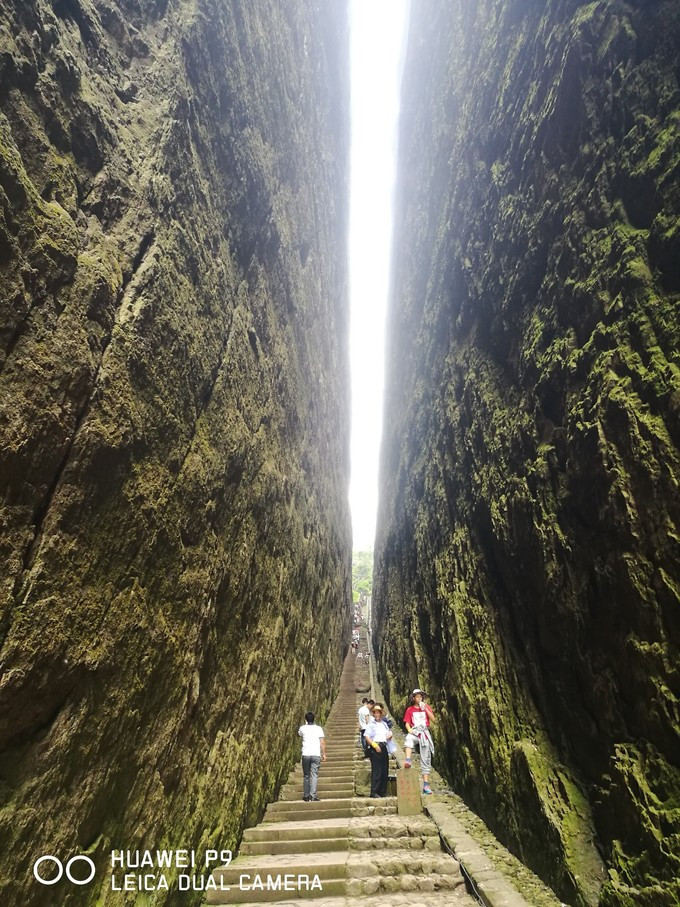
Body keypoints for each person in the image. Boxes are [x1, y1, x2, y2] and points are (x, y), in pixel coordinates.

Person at [403, 688, 435, 795]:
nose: (419, 698)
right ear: (413, 698)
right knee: (408, 739)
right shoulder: (410, 710)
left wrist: (425, 708)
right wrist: (409, 730)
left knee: (426, 757)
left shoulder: (426, 707)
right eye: (417, 697)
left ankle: (426, 785)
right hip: (415, 731)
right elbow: (407, 723)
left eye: (420, 696)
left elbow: (433, 719)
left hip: (424, 732)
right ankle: (408, 760)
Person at [364, 703, 396, 797]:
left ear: (381, 714)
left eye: (378, 713)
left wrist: (390, 736)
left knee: (384, 770)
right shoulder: (371, 724)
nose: (377, 714)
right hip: (376, 746)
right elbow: (366, 736)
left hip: (384, 746)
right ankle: (374, 792)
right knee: (377, 770)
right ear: (373, 714)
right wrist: (374, 745)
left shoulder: (384, 724)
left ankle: (382, 791)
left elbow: (387, 735)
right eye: (375, 713)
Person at [298, 711, 326, 801]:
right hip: (316, 754)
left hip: (305, 754)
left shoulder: (302, 728)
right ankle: (313, 796)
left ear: (306, 719)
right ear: (314, 719)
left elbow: (299, 734)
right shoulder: (319, 729)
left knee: (306, 775)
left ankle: (306, 796)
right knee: (314, 775)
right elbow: (322, 742)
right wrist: (324, 753)